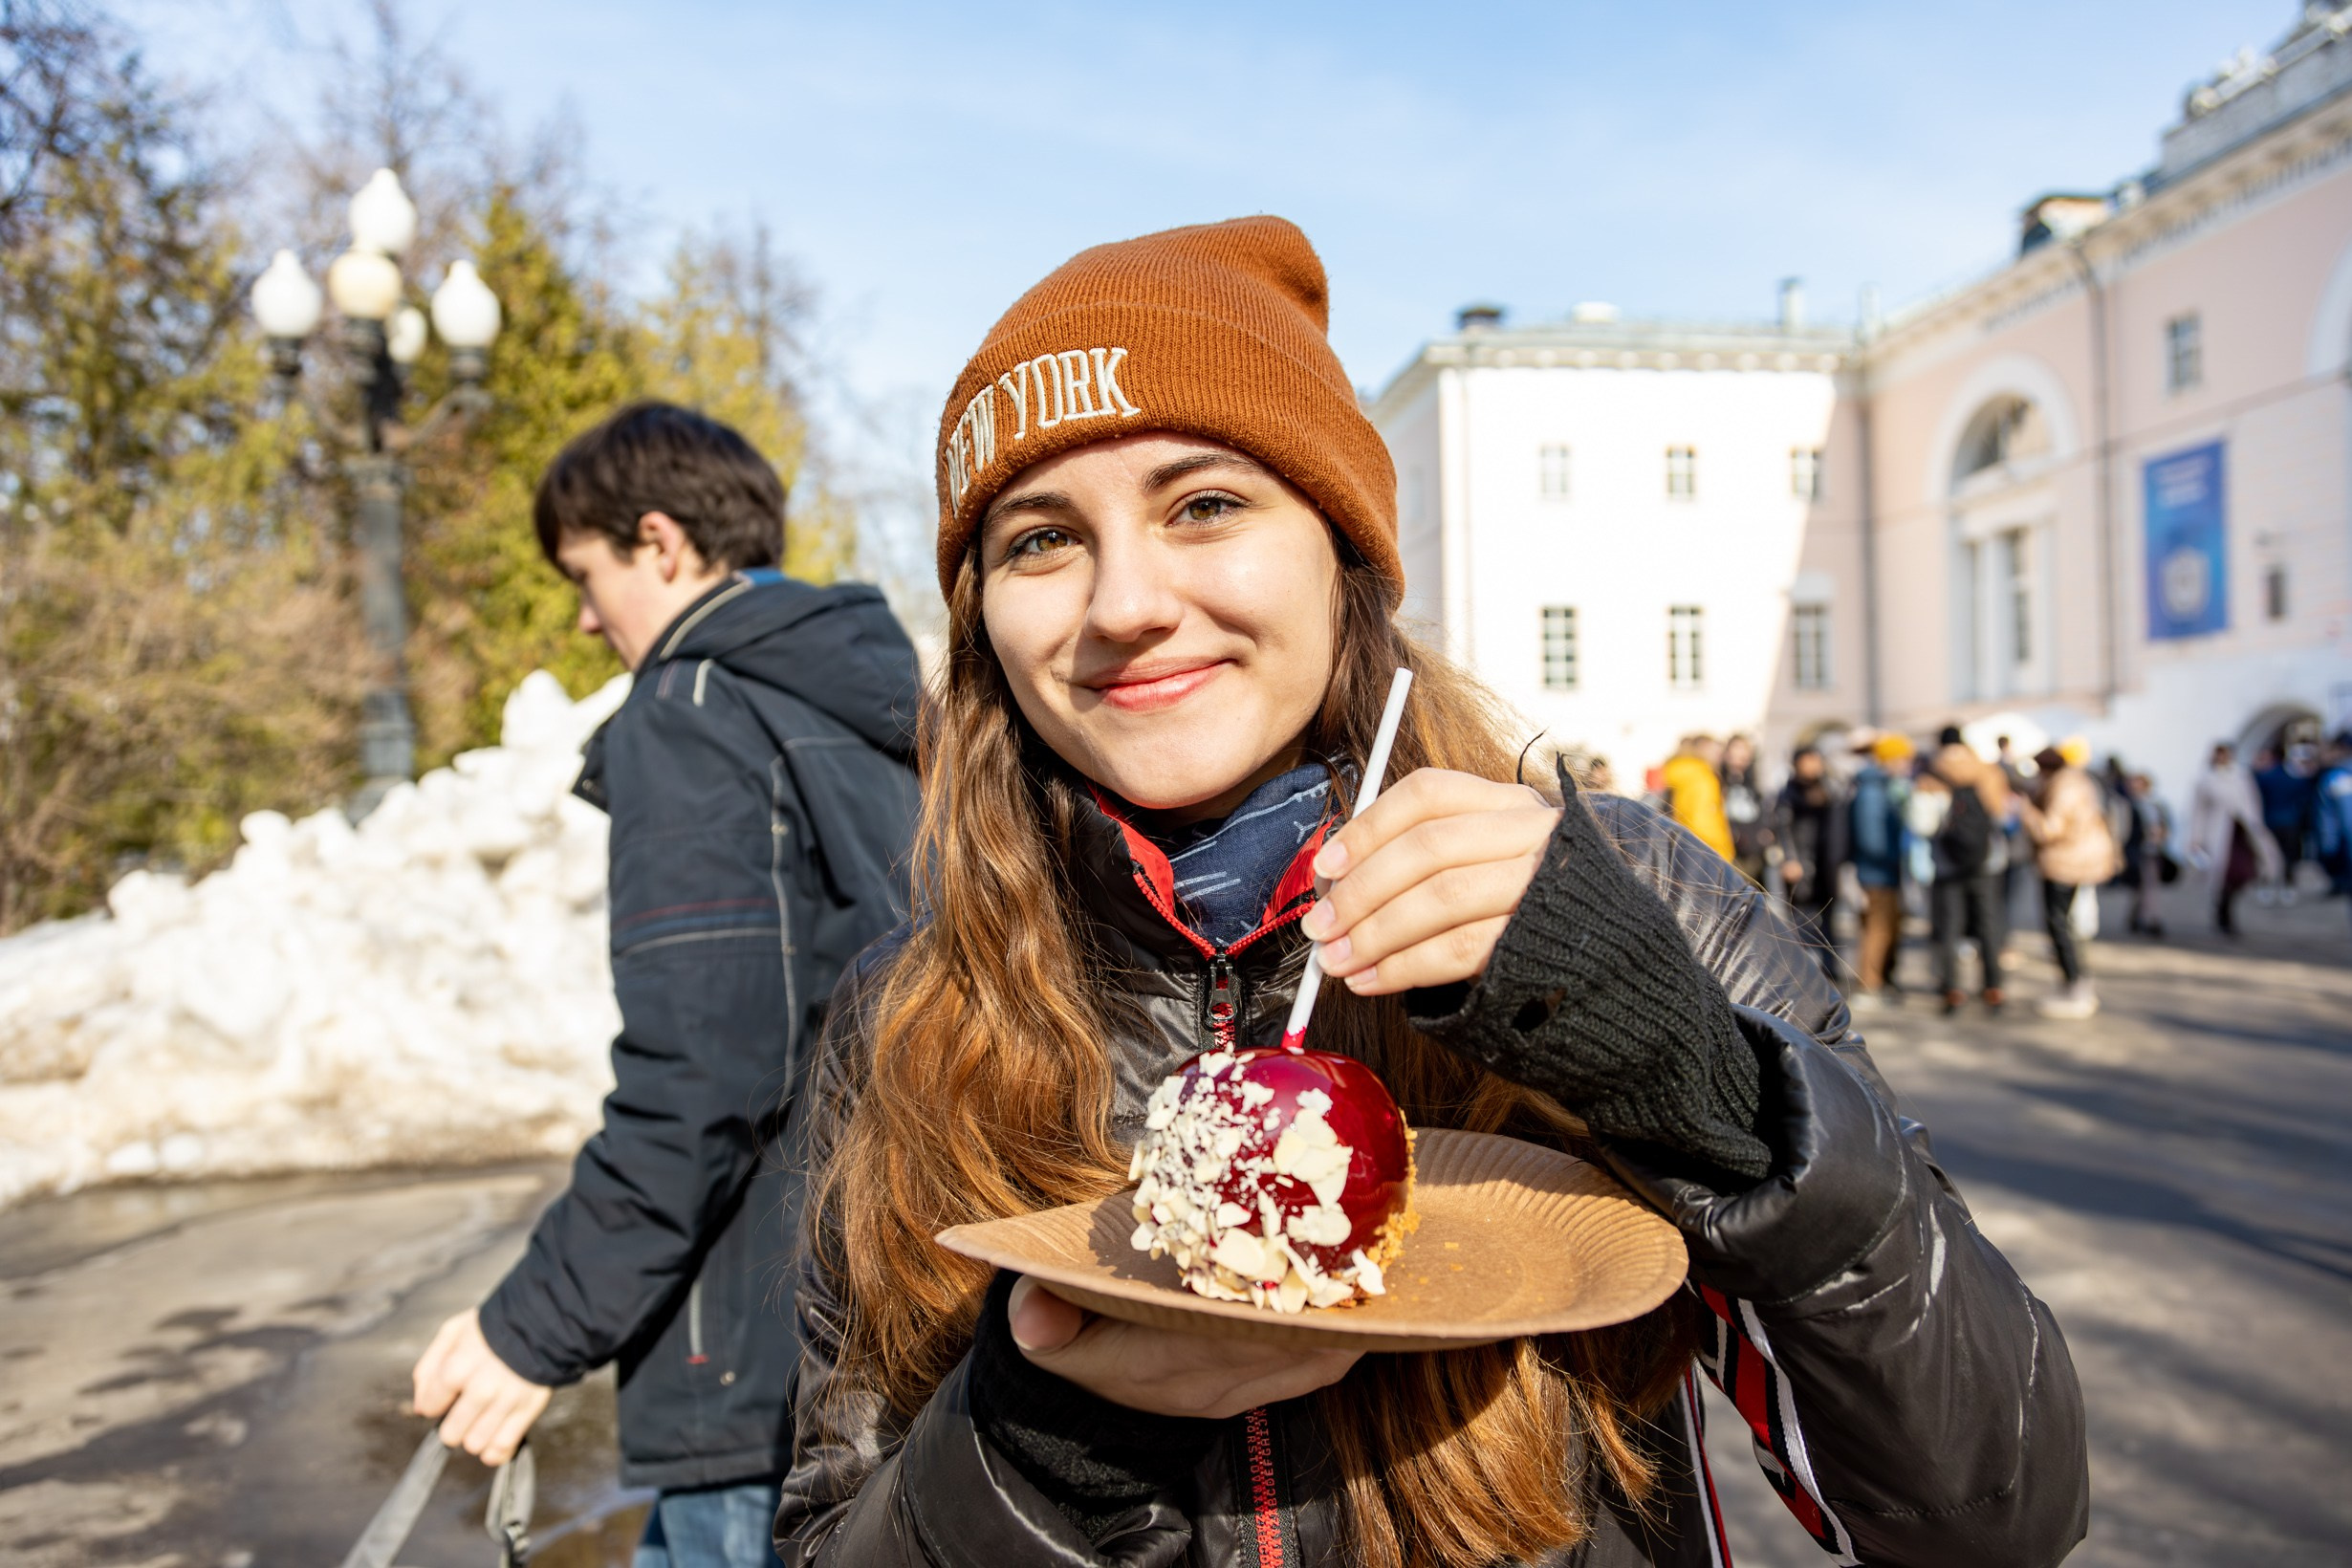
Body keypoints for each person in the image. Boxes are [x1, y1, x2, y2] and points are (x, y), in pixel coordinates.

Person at [774, 218, 2086, 1568]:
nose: (1125, 603)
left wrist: (1692, 1083)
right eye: (1042, 539)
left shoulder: (1615, 892)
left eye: (1204, 505)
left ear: (1339, 550)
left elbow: (1995, 1517)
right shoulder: (910, 1013)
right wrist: (1037, 1446)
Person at [407, 403, 922, 1566]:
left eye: (586, 575)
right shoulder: (864, 704)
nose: (586, 616)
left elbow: (702, 1079)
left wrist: (534, 1326)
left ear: (660, 541)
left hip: (751, 1354)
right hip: (875, 1320)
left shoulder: (692, 711)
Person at [1907, 727, 2011, 1013]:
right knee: (1988, 924)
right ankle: (1993, 987)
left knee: (1949, 926)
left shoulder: (1931, 774)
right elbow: (2002, 814)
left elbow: (1922, 825)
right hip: (1986, 861)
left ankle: (1952, 989)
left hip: (1947, 863)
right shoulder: (1987, 770)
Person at [2021, 742, 2120, 1019]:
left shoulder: (2062, 787)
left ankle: (2075, 982)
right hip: (2080, 858)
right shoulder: (2079, 781)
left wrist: (2026, 811)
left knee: (2059, 923)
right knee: (2068, 922)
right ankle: (2076, 981)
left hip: (2065, 862)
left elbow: (2050, 829)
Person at [1846, 730, 1912, 1005]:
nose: (1906, 765)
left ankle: (1876, 982)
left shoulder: (1881, 788)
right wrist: (1898, 855)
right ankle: (1869, 986)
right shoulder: (1872, 792)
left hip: (1882, 871)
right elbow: (1871, 839)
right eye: (1903, 759)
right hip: (1877, 873)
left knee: (1883, 928)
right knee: (1877, 930)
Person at [2188, 742, 2280, 937]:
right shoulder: (2206, 780)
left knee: (2243, 873)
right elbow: (2199, 811)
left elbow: (2252, 802)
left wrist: (2256, 826)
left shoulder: (2241, 776)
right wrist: (2196, 837)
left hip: (2242, 832)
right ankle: (2223, 909)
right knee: (2224, 874)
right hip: (2218, 833)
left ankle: (2227, 903)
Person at [1771, 745, 1847, 981]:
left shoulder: (1828, 789)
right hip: (1801, 864)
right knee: (1801, 920)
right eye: (1808, 761)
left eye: (1816, 760)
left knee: (1829, 917)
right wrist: (1790, 859)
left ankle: (1829, 968)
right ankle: (1802, 972)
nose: (1814, 765)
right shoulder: (1789, 793)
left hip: (1825, 865)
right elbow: (1783, 828)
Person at [2253, 744, 2316, 904]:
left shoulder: (2267, 777)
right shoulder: (2296, 779)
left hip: (2273, 821)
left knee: (2270, 856)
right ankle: (2286, 885)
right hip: (2289, 822)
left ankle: (2269, 885)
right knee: (2287, 856)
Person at [1660, 733, 1735, 860]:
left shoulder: (1682, 772)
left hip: (1683, 847)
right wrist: (1721, 853)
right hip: (1706, 854)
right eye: (1716, 753)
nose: (1720, 758)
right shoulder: (1703, 778)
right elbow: (1703, 819)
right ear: (1704, 749)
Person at [2121, 772, 2174, 938]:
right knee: (2141, 886)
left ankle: (2150, 919)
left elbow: (2166, 825)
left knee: (2149, 885)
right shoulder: (2128, 805)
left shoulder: (2155, 805)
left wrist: (2161, 836)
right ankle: (2142, 918)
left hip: (2152, 851)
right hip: (2136, 850)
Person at [1718, 733, 1770, 884]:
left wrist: (1763, 834)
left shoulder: (1753, 782)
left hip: (1752, 851)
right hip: (1728, 850)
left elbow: (1761, 811)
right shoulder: (1718, 780)